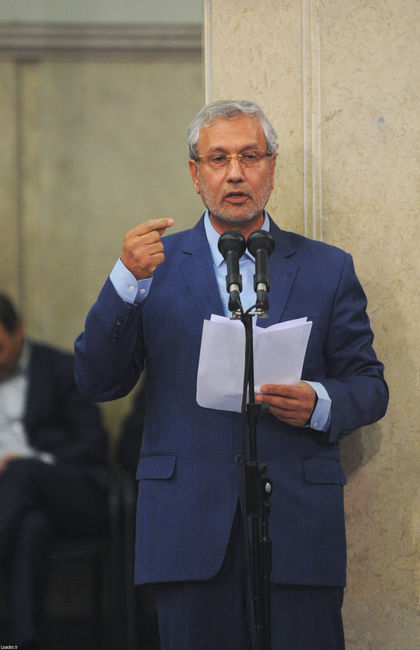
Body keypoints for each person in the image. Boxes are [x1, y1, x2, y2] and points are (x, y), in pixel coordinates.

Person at [74, 99, 389, 650]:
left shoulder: (327, 267)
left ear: (272, 167)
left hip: (296, 523)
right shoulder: (153, 268)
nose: (236, 173)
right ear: (195, 173)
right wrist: (124, 281)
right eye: (218, 158)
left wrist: (319, 403)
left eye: (250, 156)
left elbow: (368, 384)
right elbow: (97, 381)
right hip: (187, 525)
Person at [0, 293, 109, 649]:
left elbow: (92, 444)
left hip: (68, 492)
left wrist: (34, 463)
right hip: (15, 507)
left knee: (21, 473)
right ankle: (23, 641)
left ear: (18, 331)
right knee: (31, 525)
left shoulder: (61, 369)